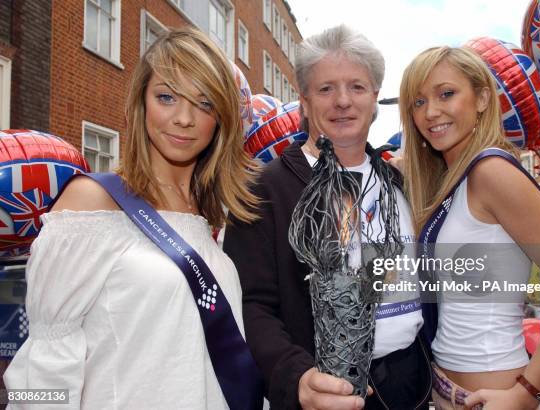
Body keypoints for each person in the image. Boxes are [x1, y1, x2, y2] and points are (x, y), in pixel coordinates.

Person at [3, 27, 259, 409]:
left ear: (221, 118)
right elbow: (42, 363)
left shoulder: (214, 216)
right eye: (167, 97)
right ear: (141, 103)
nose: (184, 118)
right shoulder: (92, 202)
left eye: (204, 104)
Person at [224, 25, 431, 410]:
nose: (342, 101)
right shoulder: (264, 190)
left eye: (356, 87)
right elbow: (251, 305)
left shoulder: (401, 182)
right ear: (303, 101)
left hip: (410, 387)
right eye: (325, 89)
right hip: (322, 395)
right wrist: (296, 376)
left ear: (374, 99)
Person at [397, 46, 540, 410]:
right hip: (446, 389)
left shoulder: (491, 173)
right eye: (417, 102)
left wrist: (526, 393)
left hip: (493, 393)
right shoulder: (455, 180)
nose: (431, 112)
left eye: (446, 94)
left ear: (482, 99)